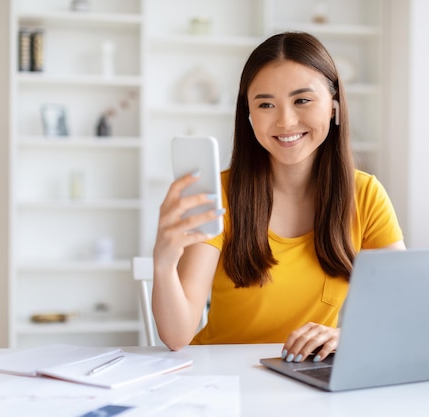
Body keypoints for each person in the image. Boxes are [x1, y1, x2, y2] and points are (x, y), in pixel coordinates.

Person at [152, 31, 405, 364]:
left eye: (302, 100)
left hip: (307, 376)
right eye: (266, 104)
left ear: (333, 107)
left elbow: (403, 311)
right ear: (249, 115)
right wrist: (163, 261)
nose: (285, 121)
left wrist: (349, 334)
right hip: (222, 378)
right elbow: (176, 334)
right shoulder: (220, 195)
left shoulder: (365, 195)